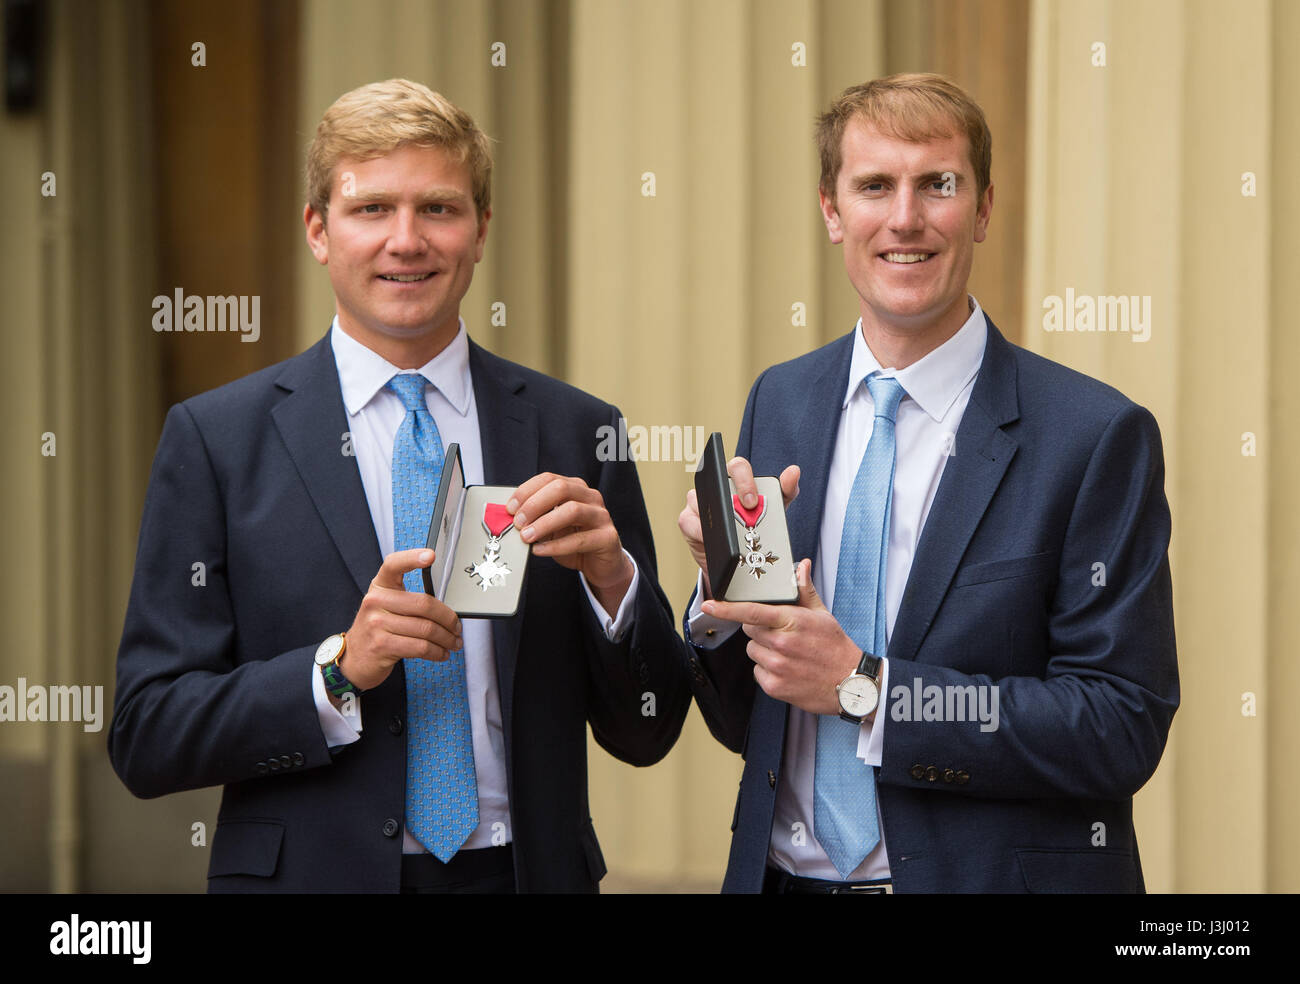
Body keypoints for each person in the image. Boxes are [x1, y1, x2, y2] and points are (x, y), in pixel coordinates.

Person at [109, 78, 690, 893]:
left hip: (522, 875)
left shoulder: (575, 430)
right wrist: (336, 671)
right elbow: (147, 734)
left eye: (439, 209)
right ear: (318, 230)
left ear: (482, 229)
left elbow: (647, 731)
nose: (406, 241)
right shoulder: (217, 440)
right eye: (372, 209)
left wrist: (613, 583)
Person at [677, 73, 1178, 893]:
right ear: (832, 212)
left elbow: (1119, 726)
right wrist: (720, 594)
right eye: (874, 186)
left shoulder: (1095, 436)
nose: (904, 218)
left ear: (981, 209)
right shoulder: (782, 398)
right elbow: (751, 721)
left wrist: (868, 690)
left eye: (937, 186)